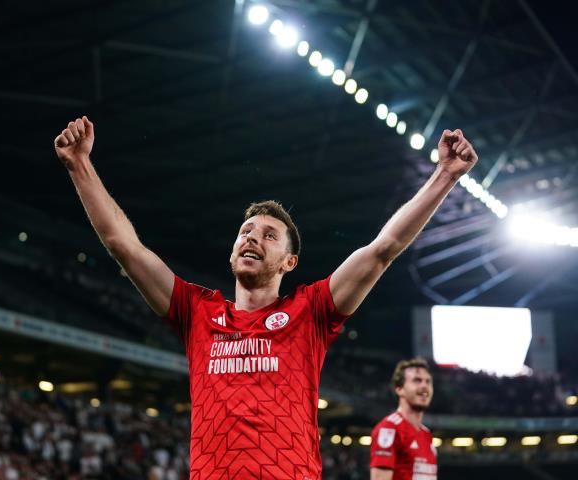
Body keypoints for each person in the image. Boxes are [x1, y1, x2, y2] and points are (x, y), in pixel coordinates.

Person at [53, 116, 477, 479]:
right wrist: (79, 165)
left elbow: (383, 249)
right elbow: (124, 247)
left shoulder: (311, 312)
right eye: (246, 232)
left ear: (289, 262)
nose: (252, 238)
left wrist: (445, 175)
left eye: (269, 235)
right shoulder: (196, 311)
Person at [370, 358, 436, 480]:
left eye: (428, 381)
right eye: (417, 380)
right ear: (399, 389)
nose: (424, 386)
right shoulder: (389, 429)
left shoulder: (426, 434)